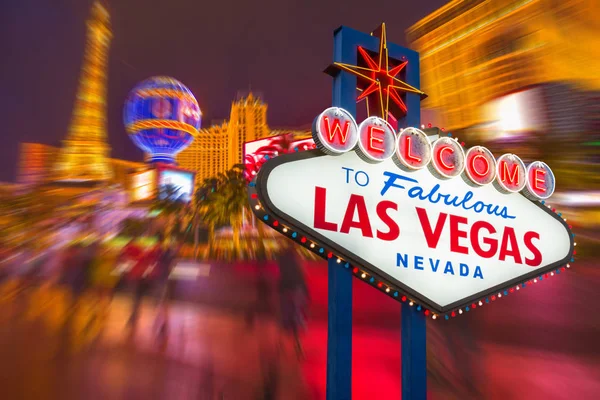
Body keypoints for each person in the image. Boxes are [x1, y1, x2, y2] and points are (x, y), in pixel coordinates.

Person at [277, 241, 309, 359]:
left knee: (285, 316)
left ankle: (280, 345)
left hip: (285, 288)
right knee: (295, 316)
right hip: (295, 288)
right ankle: (297, 346)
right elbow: (301, 274)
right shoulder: (296, 257)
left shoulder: (282, 256)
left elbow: (282, 272)